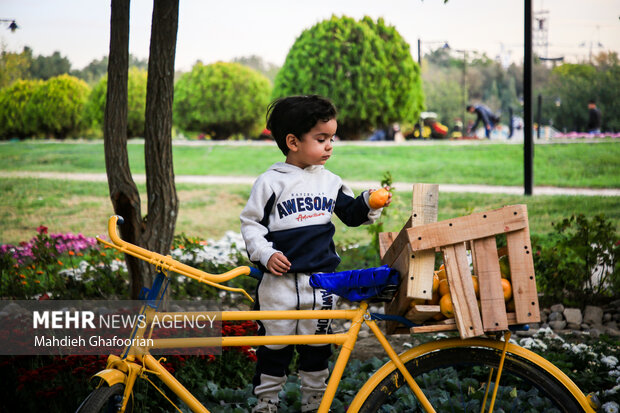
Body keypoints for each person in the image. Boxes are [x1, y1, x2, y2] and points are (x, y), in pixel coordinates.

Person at [240, 95, 391, 413]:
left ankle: (315, 403)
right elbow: (252, 224)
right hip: (278, 286)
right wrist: (265, 253)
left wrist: (370, 203)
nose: (329, 146)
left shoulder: (330, 182)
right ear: (292, 141)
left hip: (321, 285)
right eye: (321, 139)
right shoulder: (270, 183)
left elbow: (351, 214)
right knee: (274, 348)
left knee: (317, 348)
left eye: (331, 138)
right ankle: (266, 403)